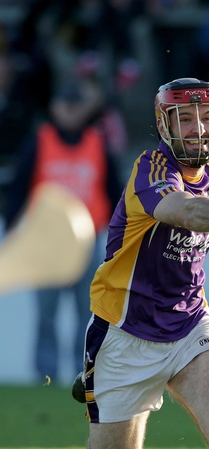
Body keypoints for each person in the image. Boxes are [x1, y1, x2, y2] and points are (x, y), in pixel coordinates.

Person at [77, 77, 209, 449]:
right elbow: (186, 210)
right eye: (186, 119)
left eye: (207, 116)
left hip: (190, 325)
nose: (200, 128)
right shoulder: (151, 168)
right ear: (164, 125)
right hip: (124, 331)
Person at [5, 79, 123, 384]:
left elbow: (114, 193)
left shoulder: (98, 143)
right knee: (47, 314)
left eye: (75, 105)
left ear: (85, 108)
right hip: (46, 243)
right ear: (54, 108)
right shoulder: (40, 141)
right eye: (65, 105)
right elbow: (19, 187)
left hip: (88, 242)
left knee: (87, 315)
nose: (70, 111)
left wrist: (119, 237)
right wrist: (12, 229)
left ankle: (82, 374)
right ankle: (45, 375)